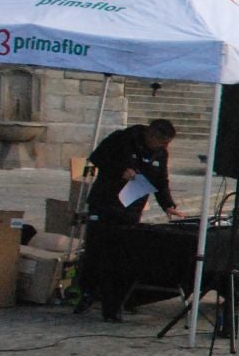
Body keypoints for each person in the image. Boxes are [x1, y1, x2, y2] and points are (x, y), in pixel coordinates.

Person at [76, 119, 185, 320]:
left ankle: (117, 298)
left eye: (167, 144)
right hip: (106, 202)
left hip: (131, 207)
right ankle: (88, 290)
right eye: (161, 142)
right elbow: (97, 157)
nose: (164, 147)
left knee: (123, 253)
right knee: (97, 249)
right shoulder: (123, 139)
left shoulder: (160, 153)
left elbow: (160, 180)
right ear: (151, 135)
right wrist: (120, 170)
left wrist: (168, 204)